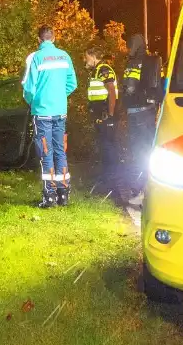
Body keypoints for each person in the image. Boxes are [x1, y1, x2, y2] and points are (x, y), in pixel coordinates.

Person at [22, 25, 78, 208]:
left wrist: (33, 101)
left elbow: (29, 89)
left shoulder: (37, 58)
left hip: (42, 113)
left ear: (39, 39)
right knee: (60, 151)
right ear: (53, 38)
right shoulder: (65, 56)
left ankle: (50, 196)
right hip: (60, 111)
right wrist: (60, 96)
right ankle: (64, 194)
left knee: (46, 153)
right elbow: (72, 84)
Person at [122, 34, 161, 194]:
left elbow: (130, 88)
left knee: (141, 151)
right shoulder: (148, 61)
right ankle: (142, 186)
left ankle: (142, 187)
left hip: (141, 113)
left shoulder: (142, 62)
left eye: (129, 45)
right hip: (139, 112)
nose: (127, 48)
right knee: (140, 150)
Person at [83, 48, 120, 196]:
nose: (85, 61)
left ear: (93, 57)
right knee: (104, 148)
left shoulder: (103, 69)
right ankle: (106, 181)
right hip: (100, 116)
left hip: (106, 117)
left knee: (109, 149)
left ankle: (112, 184)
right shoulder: (97, 70)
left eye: (86, 58)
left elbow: (111, 91)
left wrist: (110, 115)